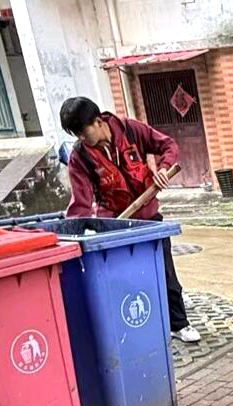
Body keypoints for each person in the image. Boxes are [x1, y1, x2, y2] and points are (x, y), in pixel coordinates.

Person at [59, 97, 201, 343]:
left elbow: (168, 145)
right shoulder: (80, 157)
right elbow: (81, 203)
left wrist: (163, 168)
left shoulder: (131, 130)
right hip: (116, 227)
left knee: (165, 273)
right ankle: (137, 330)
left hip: (149, 221)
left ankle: (179, 324)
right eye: (77, 134)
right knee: (125, 282)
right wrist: (74, 234)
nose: (81, 138)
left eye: (83, 131)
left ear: (98, 121)